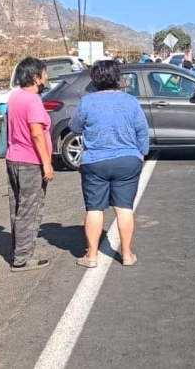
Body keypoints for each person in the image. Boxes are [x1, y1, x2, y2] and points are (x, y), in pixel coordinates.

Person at [69, 60, 149, 268]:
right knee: (124, 209)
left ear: (95, 80)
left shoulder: (87, 102)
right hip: (127, 160)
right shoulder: (130, 101)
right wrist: (142, 153)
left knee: (94, 208)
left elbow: (75, 126)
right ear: (117, 78)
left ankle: (92, 256)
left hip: (95, 161)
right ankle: (127, 254)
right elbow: (142, 130)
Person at [5, 57, 54, 272]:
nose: (47, 78)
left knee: (17, 207)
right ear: (35, 77)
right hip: (29, 161)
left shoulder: (15, 97)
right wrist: (47, 164)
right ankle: (23, 258)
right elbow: (36, 134)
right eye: (44, 74)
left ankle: (19, 251)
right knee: (30, 209)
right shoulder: (33, 100)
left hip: (13, 158)